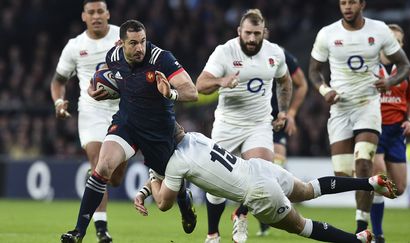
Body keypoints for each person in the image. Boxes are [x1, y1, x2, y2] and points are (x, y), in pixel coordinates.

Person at [60, 19, 198, 243]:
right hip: (127, 124)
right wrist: (95, 89)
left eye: (143, 41)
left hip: (158, 132)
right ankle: (79, 231)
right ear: (121, 43)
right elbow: (105, 76)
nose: (140, 48)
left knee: (163, 203)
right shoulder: (113, 56)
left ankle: (183, 196)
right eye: (133, 43)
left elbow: (192, 92)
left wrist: (170, 92)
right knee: (102, 166)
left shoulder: (161, 58)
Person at [134, 128, 398, 243]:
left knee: (301, 226)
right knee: (308, 189)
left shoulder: (176, 165)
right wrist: (146, 187)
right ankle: (368, 182)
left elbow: (163, 202)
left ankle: (357, 240)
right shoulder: (195, 137)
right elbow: (164, 172)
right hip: (258, 167)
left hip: (257, 193)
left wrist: (153, 183)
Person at [308, 0, 410, 234]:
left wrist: (390, 81)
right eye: (343, 2)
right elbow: (313, 70)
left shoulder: (379, 30)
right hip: (340, 109)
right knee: (342, 174)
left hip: (367, 105)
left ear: (362, 4)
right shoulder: (327, 33)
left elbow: (404, 65)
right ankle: (370, 188)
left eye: (352, 2)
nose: (347, 6)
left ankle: (362, 230)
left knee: (364, 162)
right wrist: (325, 91)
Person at [196, 9, 292, 243]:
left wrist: (283, 111)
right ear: (239, 31)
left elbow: (285, 82)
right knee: (216, 183)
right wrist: (221, 81)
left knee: (262, 175)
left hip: (259, 124)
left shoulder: (274, 53)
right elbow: (200, 84)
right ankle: (213, 233)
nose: (251, 39)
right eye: (247, 33)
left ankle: (241, 213)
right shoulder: (225, 52)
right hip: (228, 124)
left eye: (256, 34)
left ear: (264, 32)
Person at [50, 1, 120, 241]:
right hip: (92, 111)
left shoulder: (123, 36)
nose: (96, 16)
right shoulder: (75, 46)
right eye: (91, 12)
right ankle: (101, 229)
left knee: (116, 177)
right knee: (97, 160)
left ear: (108, 14)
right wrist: (59, 102)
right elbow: (58, 81)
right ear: (84, 16)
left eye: (101, 11)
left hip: (123, 110)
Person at [370, 24, 410, 243]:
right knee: (380, 179)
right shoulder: (369, 67)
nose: (393, 43)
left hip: (396, 132)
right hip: (373, 128)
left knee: (398, 189)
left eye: (398, 40)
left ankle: (365, 188)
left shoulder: (406, 72)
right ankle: (378, 234)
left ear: (401, 45)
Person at [257, 50, 308, 237]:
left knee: (277, 164)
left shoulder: (282, 56)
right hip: (250, 121)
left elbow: (302, 84)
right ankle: (254, 213)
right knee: (253, 170)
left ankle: (266, 214)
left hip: (275, 120)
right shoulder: (238, 55)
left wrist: (291, 113)